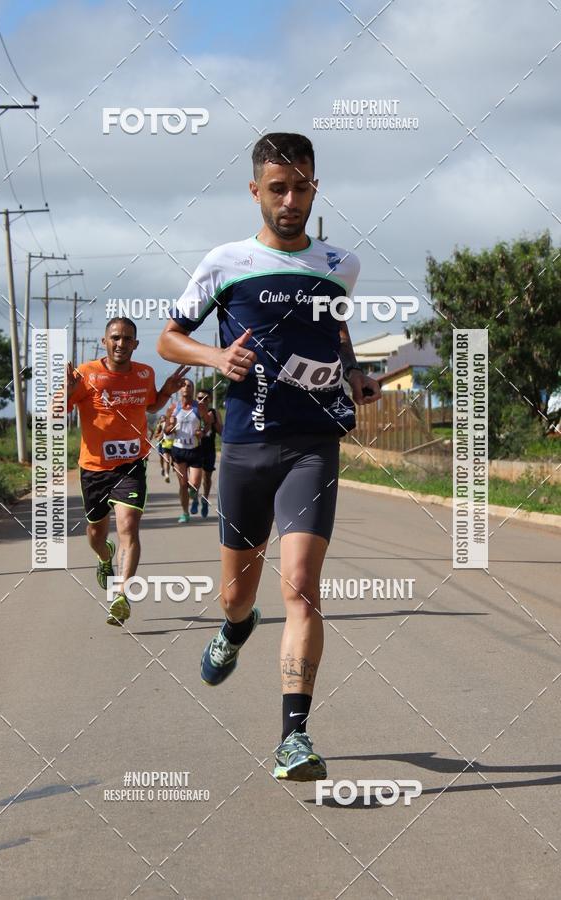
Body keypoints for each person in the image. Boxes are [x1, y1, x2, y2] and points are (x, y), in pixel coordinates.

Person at [158, 132, 380, 781]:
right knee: (237, 595)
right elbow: (170, 338)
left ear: (316, 187)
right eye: (277, 188)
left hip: (313, 446)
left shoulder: (341, 263)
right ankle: (234, 626)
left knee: (303, 591)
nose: (291, 199)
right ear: (255, 191)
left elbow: (336, 328)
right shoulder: (225, 261)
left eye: (302, 186)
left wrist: (355, 372)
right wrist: (213, 356)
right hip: (247, 446)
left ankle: (294, 737)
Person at [66, 316, 188, 625]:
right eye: (115, 338)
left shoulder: (144, 373)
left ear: (135, 344)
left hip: (131, 465)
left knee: (128, 526)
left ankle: (121, 594)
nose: (121, 343)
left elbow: (151, 406)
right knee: (96, 533)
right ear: (105, 342)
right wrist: (67, 390)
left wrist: (166, 392)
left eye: (127, 339)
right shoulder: (87, 374)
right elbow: (58, 410)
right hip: (93, 467)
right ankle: (104, 556)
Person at [165, 378, 214, 523]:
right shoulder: (173, 408)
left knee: (194, 483)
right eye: (183, 385)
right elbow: (167, 430)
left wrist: (203, 432)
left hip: (195, 450)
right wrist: (170, 428)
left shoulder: (199, 407)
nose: (186, 388)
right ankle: (185, 513)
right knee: (182, 484)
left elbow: (209, 423)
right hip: (178, 449)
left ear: (192, 389)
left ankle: (194, 493)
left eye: (189, 386)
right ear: (179, 389)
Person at [196, 389, 223, 518]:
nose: (202, 400)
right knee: (194, 478)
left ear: (210, 400)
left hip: (209, 448)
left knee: (206, 478)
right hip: (195, 449)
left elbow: (221, 431)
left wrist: (213, 422)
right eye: (199, 398)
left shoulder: (213, 412)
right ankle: (194, 497)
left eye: (205, 398)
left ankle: (204, 499)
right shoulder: (192, 412)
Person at [152, 414, 174, 482]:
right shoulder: (160, 425)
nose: (163, 419)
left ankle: (171, 467)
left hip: (168, 443)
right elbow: (155, 436)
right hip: (161, 443)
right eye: (162, 418)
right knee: (162, 457)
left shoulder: (170, 424)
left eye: (164, 418)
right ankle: (163, 468)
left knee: (168, 459)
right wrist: (161, 434)